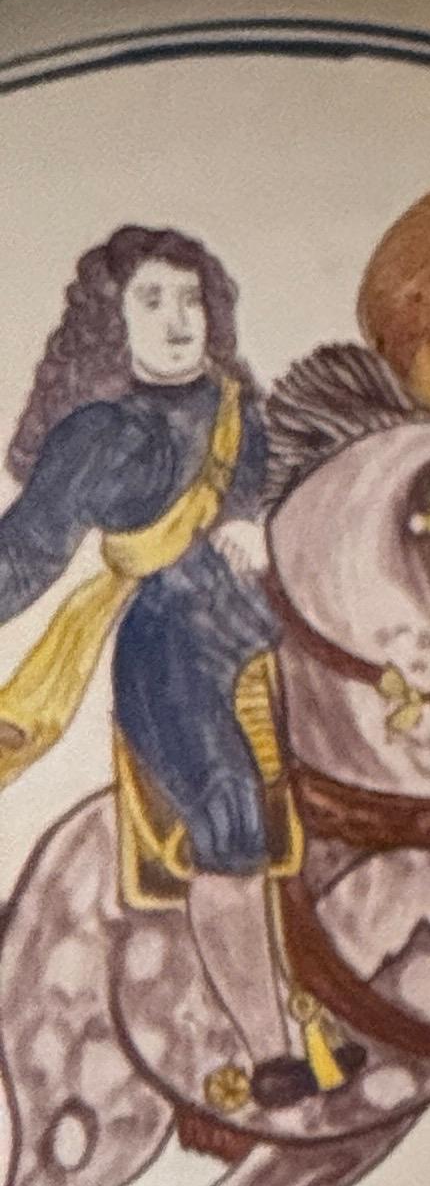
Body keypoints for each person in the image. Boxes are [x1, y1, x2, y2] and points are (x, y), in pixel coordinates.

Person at [0, 227, 355, 1115]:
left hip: (262, 634)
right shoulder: (98, 435)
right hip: (173, 652)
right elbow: (25, 557)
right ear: (109, 323)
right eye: (151, 302)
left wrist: (257, 522)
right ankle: (271, 1051)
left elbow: (283, 511)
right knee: (232, 819)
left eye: (190, 300)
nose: (176, 320)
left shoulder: (242, 411)